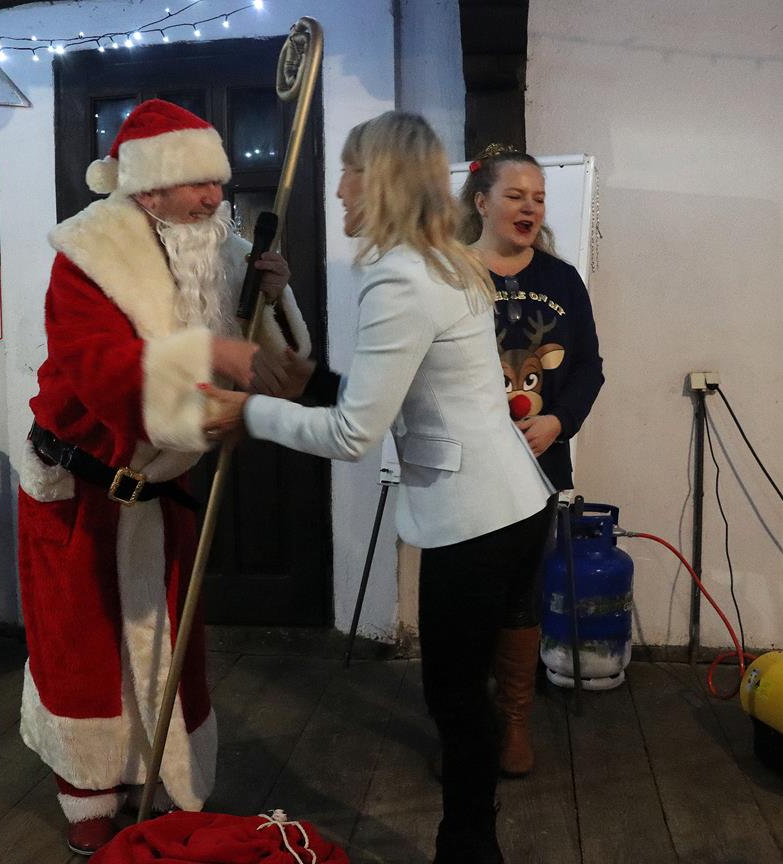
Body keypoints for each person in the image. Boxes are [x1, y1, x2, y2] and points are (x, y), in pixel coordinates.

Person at [203, 111, 555, 864]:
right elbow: (398, 398)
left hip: (477, 517)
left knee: (455, 700)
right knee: (465, 698)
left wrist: (247, 414)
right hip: (513, 503)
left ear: (384, 179)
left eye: (351, 171)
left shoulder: (401, 277)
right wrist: (305, 368)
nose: (338, 189)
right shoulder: (444, 262)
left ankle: (469, 851)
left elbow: (353, 434)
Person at [15, 99, 310, 857]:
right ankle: (89, 791)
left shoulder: (222, 248)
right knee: (83, 649)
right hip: (79, 489)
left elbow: (280, 366)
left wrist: (272, 298)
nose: (215, 198)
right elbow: (98, 368)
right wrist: (209, 357)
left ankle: (159, 778)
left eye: (218, 182)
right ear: (150, 188)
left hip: (160, 486)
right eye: (198, 183)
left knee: (165, 642)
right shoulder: (88, 254)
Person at [457, 144, 605, 778]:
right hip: (464, 467)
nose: (529, 208)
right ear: (481, 201)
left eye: (538, 198)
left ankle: (514, 722)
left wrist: (557, 421)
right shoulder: (449, 274)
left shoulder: (562, 280)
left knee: (521, 591)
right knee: (466, 598)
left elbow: (589, 369)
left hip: (540, 466)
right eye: (515, 195)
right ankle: (464, 727)